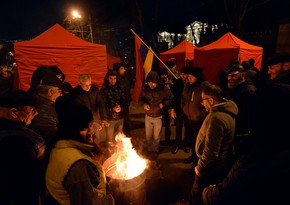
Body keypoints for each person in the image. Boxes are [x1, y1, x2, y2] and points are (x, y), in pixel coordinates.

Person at [201, 53, 290, 205]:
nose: (269, 72)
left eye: (233, 75)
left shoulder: (252, 92)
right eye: (228, 75)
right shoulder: (242, 90)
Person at [44, 96, 115, 205]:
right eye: (86, 128)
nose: (92, 131)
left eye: (91, 125)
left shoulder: (59, 144)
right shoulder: (78, 165)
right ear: (72, 130)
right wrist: (110, 200)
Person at [189, 85, 238, 205]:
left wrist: (200, 168)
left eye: (203, 100)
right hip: (219, 166)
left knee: (198, 196)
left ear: (211, 100)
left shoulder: (216, 118)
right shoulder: (227, 110)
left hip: (211, 169)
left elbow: (211, 152)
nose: (202, 103)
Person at [0, 90, 46, 205]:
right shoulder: (15, 142)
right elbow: (25, 183)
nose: (36, 113)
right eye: (32, 110)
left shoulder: (17, 133)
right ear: (14, 112)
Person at [139, 70, 174, 155]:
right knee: (148, 136)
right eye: (149, 82)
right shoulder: (146, 88)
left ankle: (155, 149)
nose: (151, 84)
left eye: (153, 82)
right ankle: (150, 149)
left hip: (158, 116)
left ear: (157, 82)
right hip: (148, 116)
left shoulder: (163, 89)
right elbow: (140, 98)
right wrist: (144, 104)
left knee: (156, 136)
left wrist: (164, 104)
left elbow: (171, 98)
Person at [225, 63, 256, 157]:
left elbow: (250, 115)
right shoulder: (235, 88)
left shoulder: (248, 91)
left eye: (234, 75)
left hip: (241, 133)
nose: (230, 78)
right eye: (229, 75)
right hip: (233, 130)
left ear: (243, 75)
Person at [181, 67, 210, 166]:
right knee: (190, 139)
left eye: (192, 76)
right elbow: (183, 98)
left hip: (198, 120)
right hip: (188, 118)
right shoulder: (187, 85)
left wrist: (201, 115)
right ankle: (193, 156)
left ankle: (197, 162)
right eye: (189, 76)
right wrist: (183, 108)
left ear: (197, 77)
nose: (189, 78)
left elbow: (209, 104)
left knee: (198, 142)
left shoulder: (205, 86)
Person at [69, 74, 109, 144]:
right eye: (86, 85)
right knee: (87, 140)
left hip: (95, 119)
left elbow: (101, 103)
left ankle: (96, 151)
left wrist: (103, 118)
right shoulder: (75, 93)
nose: (88, 87)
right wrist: (90, 123)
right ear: (80, 83)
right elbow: (78, 111)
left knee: (97, 138)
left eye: (90, 84)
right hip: (84, 123)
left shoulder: (94, 89)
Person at [29, 67, 63, 142]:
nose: (61, 94)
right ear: (50, 92)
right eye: (59, 91)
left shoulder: (41, 103)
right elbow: (55, 138)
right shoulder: (43, 111)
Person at [100, 70, 126, 145]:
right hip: (110, 118)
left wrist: (120, 107)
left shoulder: (120, 88)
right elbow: (103, 106)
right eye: (111, 78)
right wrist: (112, 109)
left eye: (114, 78)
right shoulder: (104, 90)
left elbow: (124, 101)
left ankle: (119, 153)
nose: (113, 81)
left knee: (119, 137)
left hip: (120, 117)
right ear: (107, 78)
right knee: (110, 139)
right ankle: (110, 153)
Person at [170, 66, 190, 154]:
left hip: (188, 110)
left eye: (184, 74)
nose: (182, 76)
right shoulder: (177, 82)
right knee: (178, 127)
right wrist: (172, 108)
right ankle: (177, 143)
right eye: (182, 74)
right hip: (178, 109)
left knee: (187, 128)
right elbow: (173, 96)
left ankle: (186, 143)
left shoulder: (191, 83)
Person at [113, 62, 132, 137]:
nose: (124, 70)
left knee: (126, 122)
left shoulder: (125, 80)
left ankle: (127, 137)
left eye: (124, 68)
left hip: (125, 106)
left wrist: (128, 100)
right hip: (118, 107)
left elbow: (128, 91)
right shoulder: (115, 81)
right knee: (119, 125)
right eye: (121, 68)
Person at [158, 67, 174, 145]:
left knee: (168, 125)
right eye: (162, 75)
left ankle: (167, 140)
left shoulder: (170, 84)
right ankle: (158, 141)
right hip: (160, 108)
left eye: (164, 74)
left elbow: (173, 96)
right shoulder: (158, 85)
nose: (163, 76)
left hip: (168, 108)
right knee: (159, 126)